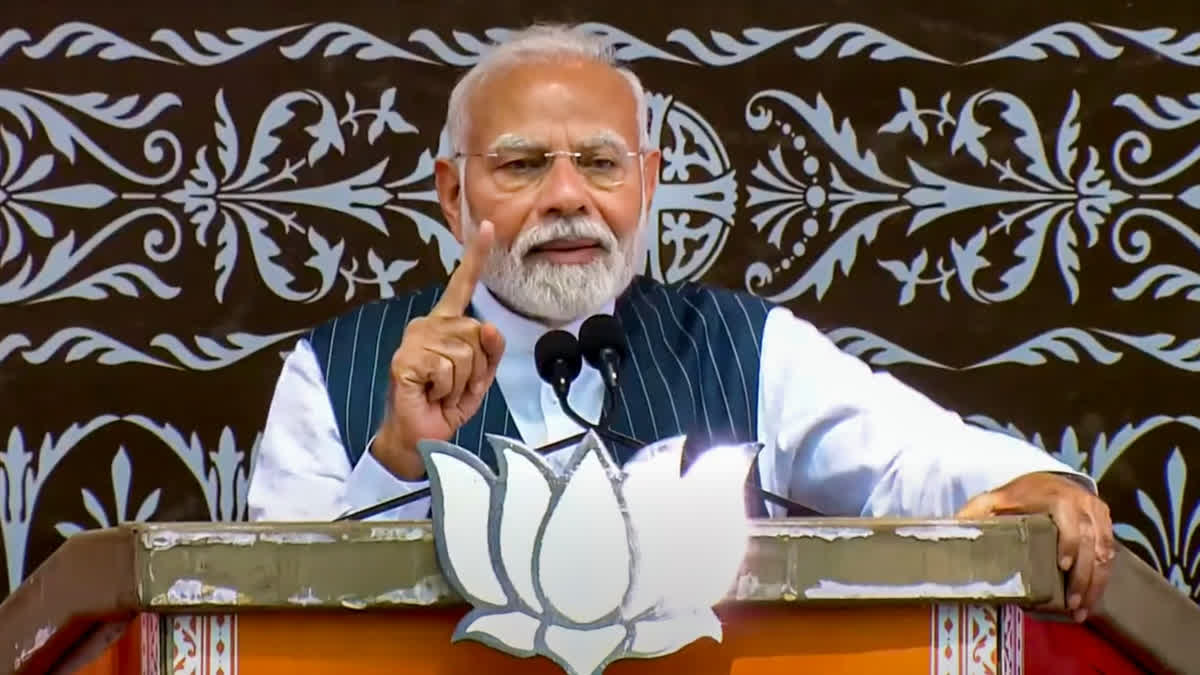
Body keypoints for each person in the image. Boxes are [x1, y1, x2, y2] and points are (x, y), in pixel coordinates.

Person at [246, 23, 1115, 622]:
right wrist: (399, 456)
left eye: (598, 162)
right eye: (520, 165)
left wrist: (1039, 482)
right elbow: (269, 621)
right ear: (451, 190)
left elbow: (909, 459)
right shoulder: (336, 370)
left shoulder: (743, 345)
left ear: (648, 182)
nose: (566, 196)